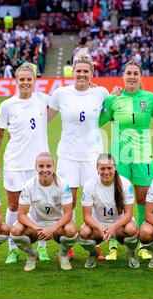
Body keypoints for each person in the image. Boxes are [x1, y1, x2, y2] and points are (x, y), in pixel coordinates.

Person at [99, 60, 153, 261]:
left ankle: (142, 244)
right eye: (128, 73)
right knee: (117, 200)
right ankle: (112, 245)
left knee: (141, 200)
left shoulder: (151, 99)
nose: (131, 76)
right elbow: (99, 121)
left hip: (143, 156)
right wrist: (103, 102)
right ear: (123, 76)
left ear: (140, 76)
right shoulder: (114, 100)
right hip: (119, 158)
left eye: (135, 73)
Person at [48, 49, 108, 260]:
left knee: (96, 200)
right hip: (68, 155)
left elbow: (114, 111)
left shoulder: (101, 93)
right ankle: (68, 244)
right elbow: (44, 117)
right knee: (69, 201)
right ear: (72, 72)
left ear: (91, 74)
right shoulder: (60, 93)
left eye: (86, 71)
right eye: (78, 71)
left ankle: (95, 241)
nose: (82, 74)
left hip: (93, 155)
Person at [0, 62, 51, 264]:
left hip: (39, 164)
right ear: (16, 81)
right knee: (14, 205)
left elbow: (69, 101)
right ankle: (13, 247)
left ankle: (42, 247)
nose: (26, 82)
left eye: (29, 79)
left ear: (35, 81)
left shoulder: (44, 99)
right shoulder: (7, 105)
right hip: (14, 163)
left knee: (41, 206)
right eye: (22, 79)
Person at [9, 152, 78, 271]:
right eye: (41, 166)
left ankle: (63, 255)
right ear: (35, 167)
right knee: (15, 230)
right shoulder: (29, 185)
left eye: (48, 166)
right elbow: (21, 215)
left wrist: (52, 229)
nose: (45, 170)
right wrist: (37, 229)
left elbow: (68, 213)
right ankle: (31, 255)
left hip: (57, 224)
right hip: (36, 224)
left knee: (71, 230)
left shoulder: (63, 185)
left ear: (53, 167)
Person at [78, 153, 139, 268]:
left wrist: (113, 227)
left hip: (120, 225)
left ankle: (131, 252)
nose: (106, 172)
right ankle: (93, 253)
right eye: (102, 168)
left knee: (131, 229)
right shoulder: (89, 185)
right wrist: (100, 228)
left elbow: (129, 214)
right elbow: (87, 216)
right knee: (84, 232)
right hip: (99, 226)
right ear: (97, 169)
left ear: (115, 167)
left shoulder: (125, 184)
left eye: (109, 168)